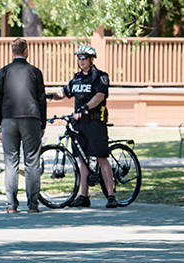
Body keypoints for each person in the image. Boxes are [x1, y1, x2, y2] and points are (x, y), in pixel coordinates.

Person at [50, 44, 118, 208]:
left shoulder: (100, 77)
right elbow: (63, 93)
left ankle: (111, 196)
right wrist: (49, 95)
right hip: (79, 125)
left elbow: (100, 96)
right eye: (79, 58)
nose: (81, 61)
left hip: (95, 123)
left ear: (91, 59)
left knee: (102, 158)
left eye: (84, 58)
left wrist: (85, 107)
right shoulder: (76, 79)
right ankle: (84, 196)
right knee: (82, 159)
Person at [0, 38, 47, 214]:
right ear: (26, 51)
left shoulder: (4, 71)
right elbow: (41, 99)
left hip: (9, 119)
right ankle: (32, 205)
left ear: (12, 51)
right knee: (32, 162)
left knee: (11, 162)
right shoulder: (35, 72)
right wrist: (42, 123)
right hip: (31, 118)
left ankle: (11, 205)